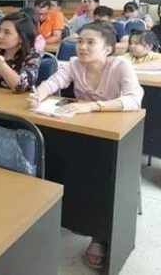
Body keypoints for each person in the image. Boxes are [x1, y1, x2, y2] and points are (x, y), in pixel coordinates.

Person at [28, 21, 143, 270]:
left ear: (108, 49)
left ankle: (100, 234)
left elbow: (134, 100)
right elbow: (53, 82)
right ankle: (69, 214)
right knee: (58, 161)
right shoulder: (74, 64)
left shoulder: (120, 66)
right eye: (80, 41)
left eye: (91, 42)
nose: (82, 47)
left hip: (113, 137)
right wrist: (39, 94)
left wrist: (92, 106)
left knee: (98, 175)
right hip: (81, 130)